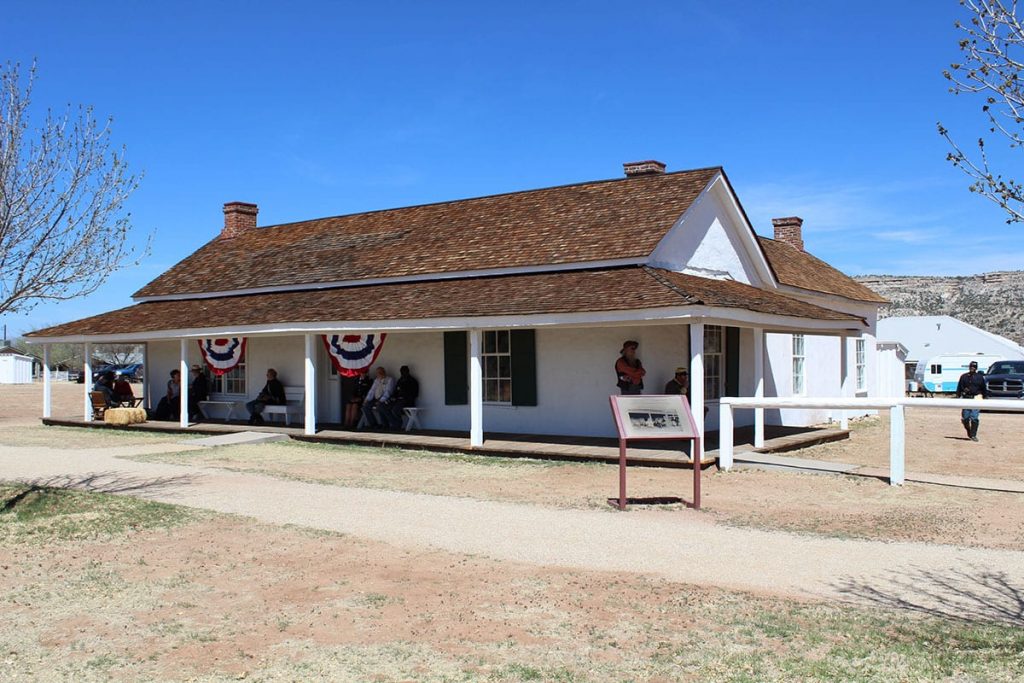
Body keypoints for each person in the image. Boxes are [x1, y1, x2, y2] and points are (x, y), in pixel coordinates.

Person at [955, 360, 988, 442]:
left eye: (974, 367)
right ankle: (969, 431)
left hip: (976, 398)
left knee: (974, 418)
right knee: (965, 418)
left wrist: (985, 397)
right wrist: (958, 395)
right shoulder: (964, 377)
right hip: (966, 398)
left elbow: (983, 388)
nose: (972, 368)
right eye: (971, 366)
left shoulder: (980, 377)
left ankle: (973, 435)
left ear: (976, 368)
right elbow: (959, 387)